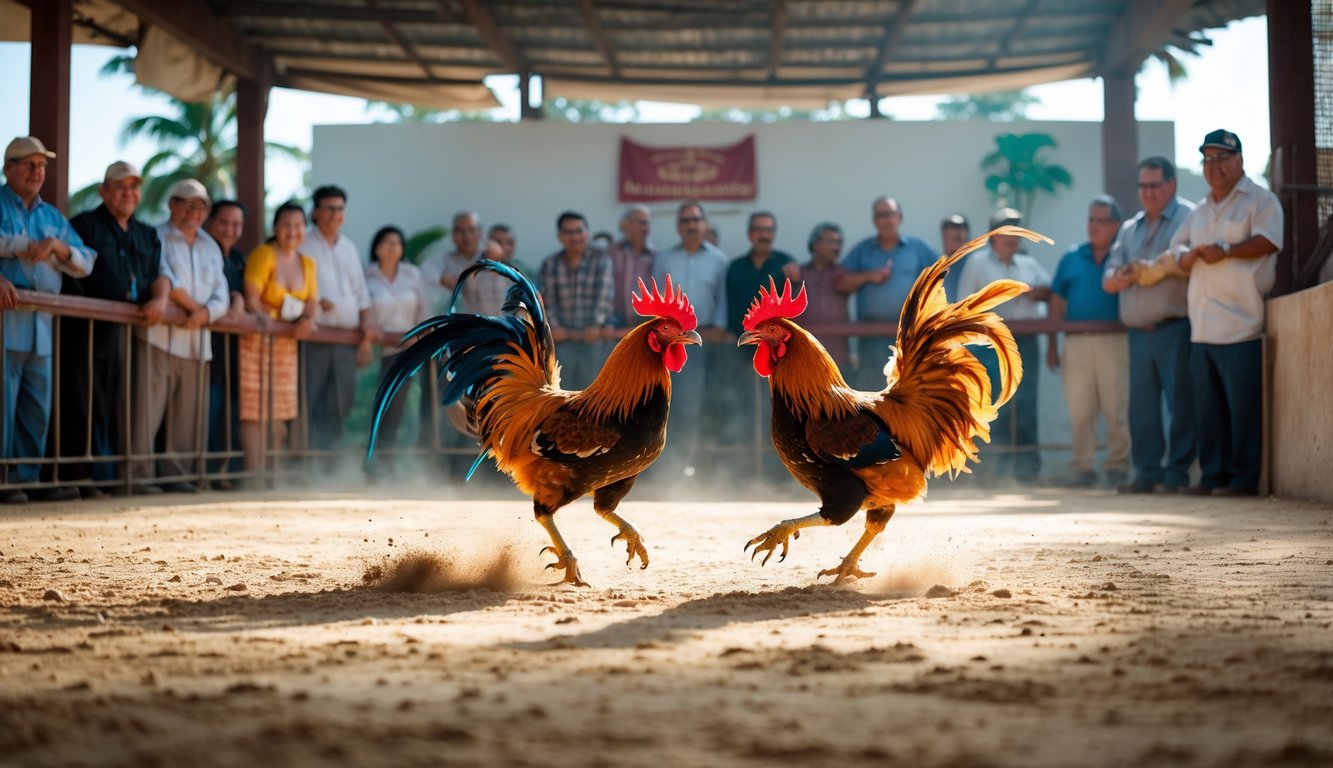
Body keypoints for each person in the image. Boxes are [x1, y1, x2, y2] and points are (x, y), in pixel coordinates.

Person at [1144, 130, 1282, 497]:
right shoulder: (1200, 209)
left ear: (1240, 160)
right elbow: (1176, 252)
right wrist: (1185, 257)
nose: (1215, 166)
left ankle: (1242, 479)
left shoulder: (1260, 200)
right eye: (1208, 159)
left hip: (1242, 323)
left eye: (1222, 158)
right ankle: (1212, 478)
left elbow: (1270, 240)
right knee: (1208, 411)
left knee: (1243, 411)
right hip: (1202, 326)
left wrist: (1227, 248)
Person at [61, 161, 169, 499]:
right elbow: (73, 276)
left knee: (122, 405)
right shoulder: (83, 225)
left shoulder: (147, 233)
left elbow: (158, 274)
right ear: (103, 190)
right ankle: (79, 478)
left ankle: (112, 479)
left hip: (133, 331)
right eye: (120, 186)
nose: (128, 193)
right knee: (84, 402)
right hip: (88, 331)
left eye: (133, 187)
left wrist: (160, 298)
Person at [0, 137, 95, 504]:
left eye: (42, 166)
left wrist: (59, 247)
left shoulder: (53, 217)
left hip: (42, 325)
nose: (37, 172)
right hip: (7, 320)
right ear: (9, 167)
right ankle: (4, 481)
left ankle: (24, 482)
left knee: (36, 408)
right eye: (29, 164)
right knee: (3, 405)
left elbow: (86, 261)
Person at [1102, 157, 1196, 494]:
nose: (1148, 192)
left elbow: (1186, 263)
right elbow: (1108, 278)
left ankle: (1177, 474)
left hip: (1176, 326)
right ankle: (1147, 472)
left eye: (1155, 185)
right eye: (1143, 186)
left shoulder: (1189, 217)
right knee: (1141, 406)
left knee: (1181, 403)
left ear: (1171, 184)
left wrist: (1133, 274)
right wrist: (1121, 276)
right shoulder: (1129, 228)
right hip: (1138, 333)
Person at [134, 179, 229, 493]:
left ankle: (179, 477)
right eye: (188, 204)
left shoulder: (211, 245)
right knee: (145, 413)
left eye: (201, 206)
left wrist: (206, 314)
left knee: (188, 416)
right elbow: (165, 278)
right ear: (172, 204)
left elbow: (223, 293)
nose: (195, 212)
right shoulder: (155, 235)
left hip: (196, 343)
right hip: (159, 337)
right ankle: (138, 478)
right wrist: (197, 310)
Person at [955, 208, 1053, 485]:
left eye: (1016, 230)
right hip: (990, 343)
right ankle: (990, 473)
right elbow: (964, 305)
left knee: (1026, 403)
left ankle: (1027, 472)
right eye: (1007, 231)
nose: (1013, 236)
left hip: (1024, 343)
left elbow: (1049, 291)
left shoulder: (1028, 264)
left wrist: (1032, 293)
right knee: (991, 404)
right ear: (994, 235)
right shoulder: (977, 262)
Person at [1047, 195, 1130, 488]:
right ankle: (1083, 467)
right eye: (1091, 219)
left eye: (1101, 220)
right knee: (1080, 408)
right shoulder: (1072, 257)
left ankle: (1118, 466)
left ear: (1116, 225)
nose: (1093, 226)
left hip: (1115, 339)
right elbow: (1057, 302)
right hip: (1076, 342)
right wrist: (1051, 345)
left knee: (1115, 407)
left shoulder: (1124, 256)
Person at [239, 202, 317, 485]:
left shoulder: (308, 263)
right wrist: (275, 322)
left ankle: (275, 474)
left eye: (298, 225)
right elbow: (252, 299)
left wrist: (306, 321)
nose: (292, 231)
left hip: (286, 344)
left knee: (281, 411)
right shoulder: (263, 254)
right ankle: (255, 475)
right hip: (258, 339)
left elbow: (312, 303)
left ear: (305, 229)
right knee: (255, 409)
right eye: (286, 224)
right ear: (275, 228)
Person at [651, 201, 728, 482]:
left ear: (704, 224)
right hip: (670, 344)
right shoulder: (663, 260)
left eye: (696, 220)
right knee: (666, 404)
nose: (691, 225)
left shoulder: (719, 260)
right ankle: (663, 468)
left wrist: (718, 326)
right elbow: (658, 300)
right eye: (686, 220)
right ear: (678, 226)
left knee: (698, 407)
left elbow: (722, 299)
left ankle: (689, 466)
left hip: (705, 342)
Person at [718, 212, 800, 468]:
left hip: (776, 353)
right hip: (740, 348)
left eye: (768, 230)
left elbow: (795, 308)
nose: (764, 234)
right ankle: (743, 466)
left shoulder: (787, 263)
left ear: (774, 234)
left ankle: (775, 468)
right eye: (759, 229)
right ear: (750, 233)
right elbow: (728, 304)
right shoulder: (736, 267)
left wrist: (795, 281)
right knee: (740, 405)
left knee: (776, 408)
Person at [303, 185, 374, 471]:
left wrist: (367, 335)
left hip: (347, 340)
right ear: (316, 212)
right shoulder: (303, 244)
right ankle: (304, 467)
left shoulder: (349, 247)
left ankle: (328, 469)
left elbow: (362, 295)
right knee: (307, 403)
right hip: (313, 339)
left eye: (340, 208)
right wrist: (317, 300)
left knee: (340, 404)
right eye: (330, 208)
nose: (336, 214)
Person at [843, 197, 933, 389]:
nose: (887, 220)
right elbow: (840, 283)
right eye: (881, 215)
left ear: (900, 217)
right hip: (871, 336)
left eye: (891, 214)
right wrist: (868, 277)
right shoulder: (862, 250)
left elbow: (941, 276)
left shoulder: (917, 248)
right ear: (875, 221)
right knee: (872, 393)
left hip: (909, 335)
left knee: (908, 392)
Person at [364, 225, 430, 471]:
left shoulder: (412, 274)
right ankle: (370, 462)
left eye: (397, 241)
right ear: (376, 247)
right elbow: (364, 312)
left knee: (395, 410)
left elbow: (424, 312)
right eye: (386, 241)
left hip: (406, 352)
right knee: (370, 407)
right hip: (374, 351)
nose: (392, 246)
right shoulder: (367, 275)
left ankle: (383, 464)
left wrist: (421, 338)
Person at [536, 211, 615, 390]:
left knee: (592, 396)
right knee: (560, 395)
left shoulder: (602, 261)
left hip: (593, 341)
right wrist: (554, 327)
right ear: (560, 237)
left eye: (579, 231)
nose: (575, 237)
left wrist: (595, 324)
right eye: (568, 232)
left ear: (587, 233)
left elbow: (604, 297)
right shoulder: (550, 264)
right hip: (561, 343)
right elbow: (548, 301)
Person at [799, 221, 887, 372]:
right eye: (831, 241)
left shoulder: (841, 273)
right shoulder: (798, 274)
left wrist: (871, 276)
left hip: (836, 359)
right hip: (803, 359)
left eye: (839, 242)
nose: (836, 247)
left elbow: (844, 283)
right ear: (815, 245)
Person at [203, 199, 249, 489]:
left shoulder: (240, 257)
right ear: (211, 222)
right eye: (224, 222)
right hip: (207, 348)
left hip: (233, 354)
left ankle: (223, 473)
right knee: (207, 414)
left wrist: (239, 299)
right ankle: (205, 474)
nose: (230, 230)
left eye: (237, 224)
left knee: (227, 417)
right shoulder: (205, 250)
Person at [420, 210, 485, 314]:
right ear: (453, 235)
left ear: (480, 232)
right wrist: (441, 278)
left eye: (471, 230)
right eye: (461, 231)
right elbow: (425, 272)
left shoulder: (491, 257)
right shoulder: (446, 259)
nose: (467, 236)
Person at [606, 205, 656, 335]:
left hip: (645, 324)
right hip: (614, 324)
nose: (645, 228)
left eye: (648, 223)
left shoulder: (656, 256)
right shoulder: (611, 253)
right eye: (641, 222)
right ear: (625, 224)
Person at [940, 214, 971, 300]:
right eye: (947, 239)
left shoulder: (976, 265)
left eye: (957, 239)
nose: (952, 244)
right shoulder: (940, 270)